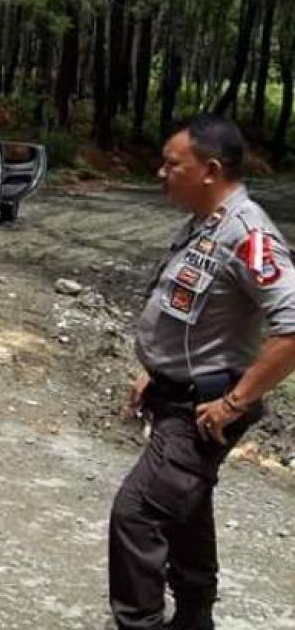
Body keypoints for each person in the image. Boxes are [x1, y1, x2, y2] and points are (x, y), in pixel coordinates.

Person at [108, 115, 295, 630]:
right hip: (179, 394)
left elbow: (292, 327)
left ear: (210, 169)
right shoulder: (204, 224)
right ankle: (194, 619)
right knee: (186, 510)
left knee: (138, 514)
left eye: (172, 164)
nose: (161, 173)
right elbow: (188, 316)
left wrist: (235, 402)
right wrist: (158, 372)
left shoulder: (249, 235)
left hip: (206, 410)